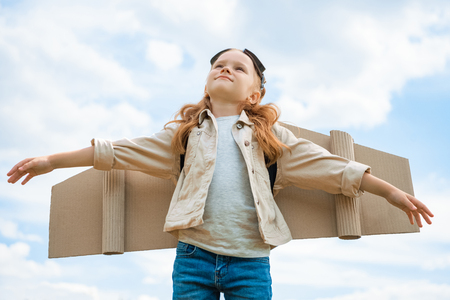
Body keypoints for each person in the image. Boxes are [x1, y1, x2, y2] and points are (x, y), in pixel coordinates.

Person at [7, 48, 433, 300]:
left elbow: (333, 170)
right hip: (192, 258)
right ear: (208, 82)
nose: (225, 69)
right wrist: (51, 161)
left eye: (238, 67)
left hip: (251, 263)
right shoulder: (184, 135)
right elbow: (117, 152)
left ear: (255, 93)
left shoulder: (272, 139)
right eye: (218, 65)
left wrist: (390, 192)